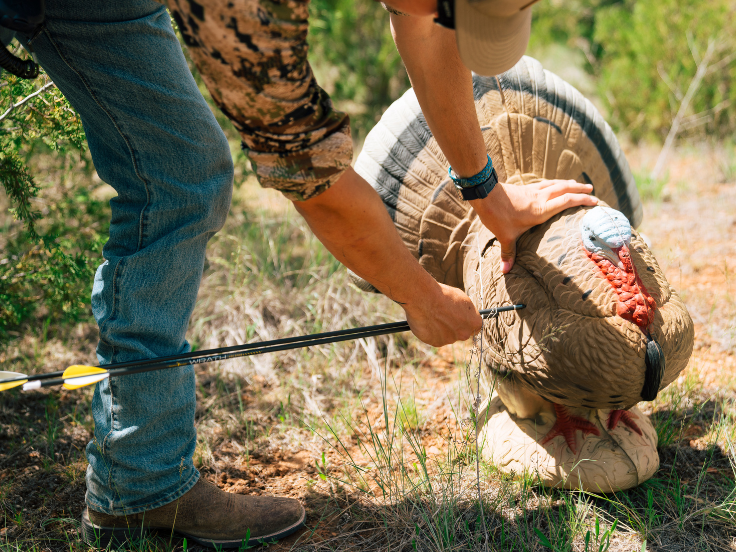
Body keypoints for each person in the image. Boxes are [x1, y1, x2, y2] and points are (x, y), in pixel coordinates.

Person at [28, 0, 596, 548]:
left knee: (180, 175)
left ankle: (137, 480)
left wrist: (489, 195)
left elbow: (424, 26)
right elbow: (311, 175)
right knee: (182, 173)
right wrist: (420, 296)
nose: (447, 21)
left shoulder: (426, 6)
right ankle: (140, 473)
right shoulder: (253, 12)